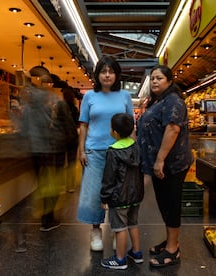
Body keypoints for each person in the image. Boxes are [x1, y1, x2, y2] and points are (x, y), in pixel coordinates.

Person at [137, 64, 193, 267]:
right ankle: (171, 241)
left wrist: (160, 160)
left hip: (171, 163)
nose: (154, 81)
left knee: (171, 203)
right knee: (164, 203)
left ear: (169, 81)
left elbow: (172, 129)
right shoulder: (159, 101)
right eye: (152, 78)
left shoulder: (173, 101)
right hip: (160, 164)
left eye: (159, 78)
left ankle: (173, 250)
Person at [77, 56, 134, 252]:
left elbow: (130, 126)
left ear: (117, 75)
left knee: (120, 193)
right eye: (103, 71)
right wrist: (81, 149)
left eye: (111, 71)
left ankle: (119, 231)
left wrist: (133, 151)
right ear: (97, 74)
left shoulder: (125, 96)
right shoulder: (89, 96)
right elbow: (83, 125)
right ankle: (95, 231)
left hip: (120, 153)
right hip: (95, 152)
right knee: (94, 193)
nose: (107, 75)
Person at [21, 66, 77, 232]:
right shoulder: (56, 101)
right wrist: (71, 145)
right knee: (53, 184)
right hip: (54, 149)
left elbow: (23, 127)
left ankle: (43, 215)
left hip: (35, 150)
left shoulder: (26, 102)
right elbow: (68, 127)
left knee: (42, 182)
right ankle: (48, 218)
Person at [100, 113, 144, 269]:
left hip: (119, 197)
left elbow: (109, 178)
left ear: (115, 132)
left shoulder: (113, 151)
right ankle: (137, 253)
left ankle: (120, 259)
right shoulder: (136, 146)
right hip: (136, 195)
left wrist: (104, 197)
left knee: (120, 227)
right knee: (133, 223)